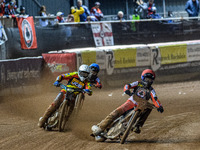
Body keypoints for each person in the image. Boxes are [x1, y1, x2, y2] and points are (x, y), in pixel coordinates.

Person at [91, 69, 164, 137]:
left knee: (149, 108)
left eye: (150, 79)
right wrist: (127, 90)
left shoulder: (151, 90)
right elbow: (128, 85)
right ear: (143, 78)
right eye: (147, 79)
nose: (148, 81)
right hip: (131, 101)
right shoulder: (138, 83)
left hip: (141, 106)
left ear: (152, 80)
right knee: (115, 113)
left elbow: (155, 99)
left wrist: (159, 106)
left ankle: (138, 126)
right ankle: (100, 128)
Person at [38, 64, 93, 128]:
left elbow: (89, 88)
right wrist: (57, 81)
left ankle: (66, 122)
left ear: (88, 75)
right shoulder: (73, 74)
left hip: (74, 96)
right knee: (55, 103)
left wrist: (88, 91)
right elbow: (62, 76)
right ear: (79, 72)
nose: (83, 75)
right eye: (82, 73)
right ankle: (43, 120)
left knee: (71, 111)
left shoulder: (87, 81)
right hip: (66, 91)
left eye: (85, 74)